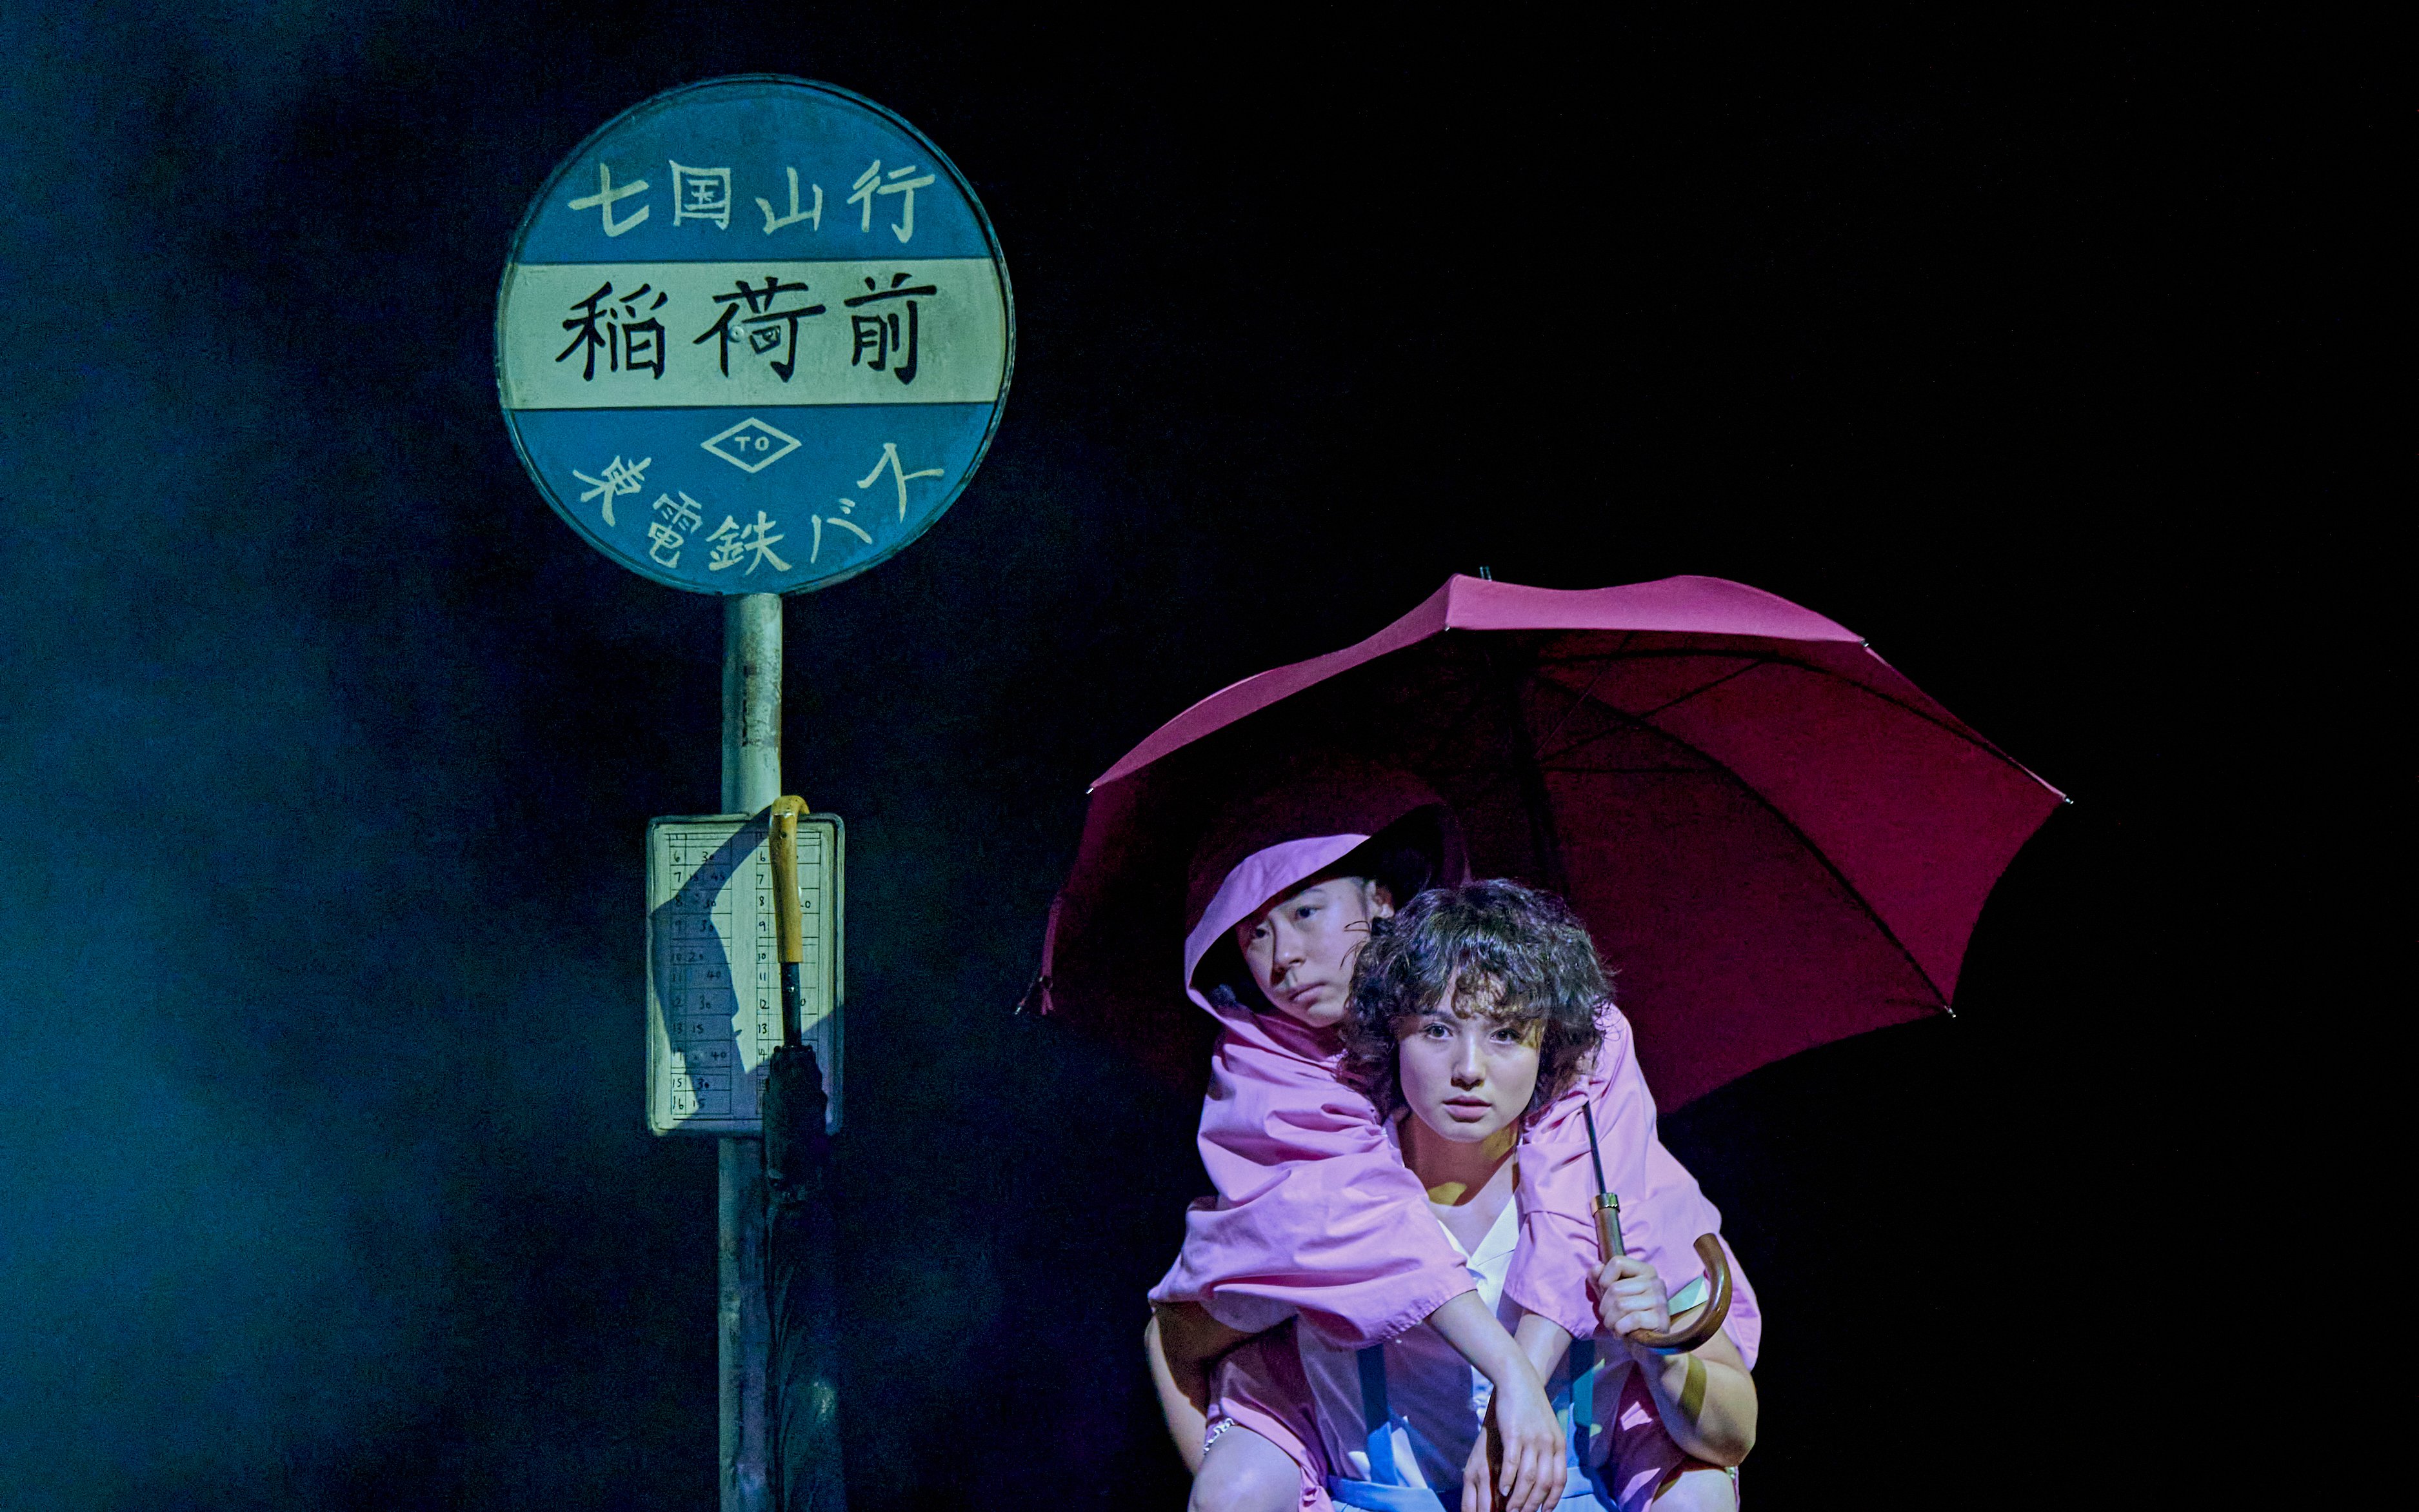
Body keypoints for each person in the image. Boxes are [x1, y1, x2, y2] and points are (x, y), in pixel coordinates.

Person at [1142, 778, 1757, 1511]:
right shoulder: (1300, 1144)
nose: (1469, 1067)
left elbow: (1727, 1436)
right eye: (1436, 1029)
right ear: (1392, 1031)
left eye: (1504, 1032)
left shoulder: (1599, 1158)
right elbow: (1177, 1334)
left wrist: (1654, 1350)